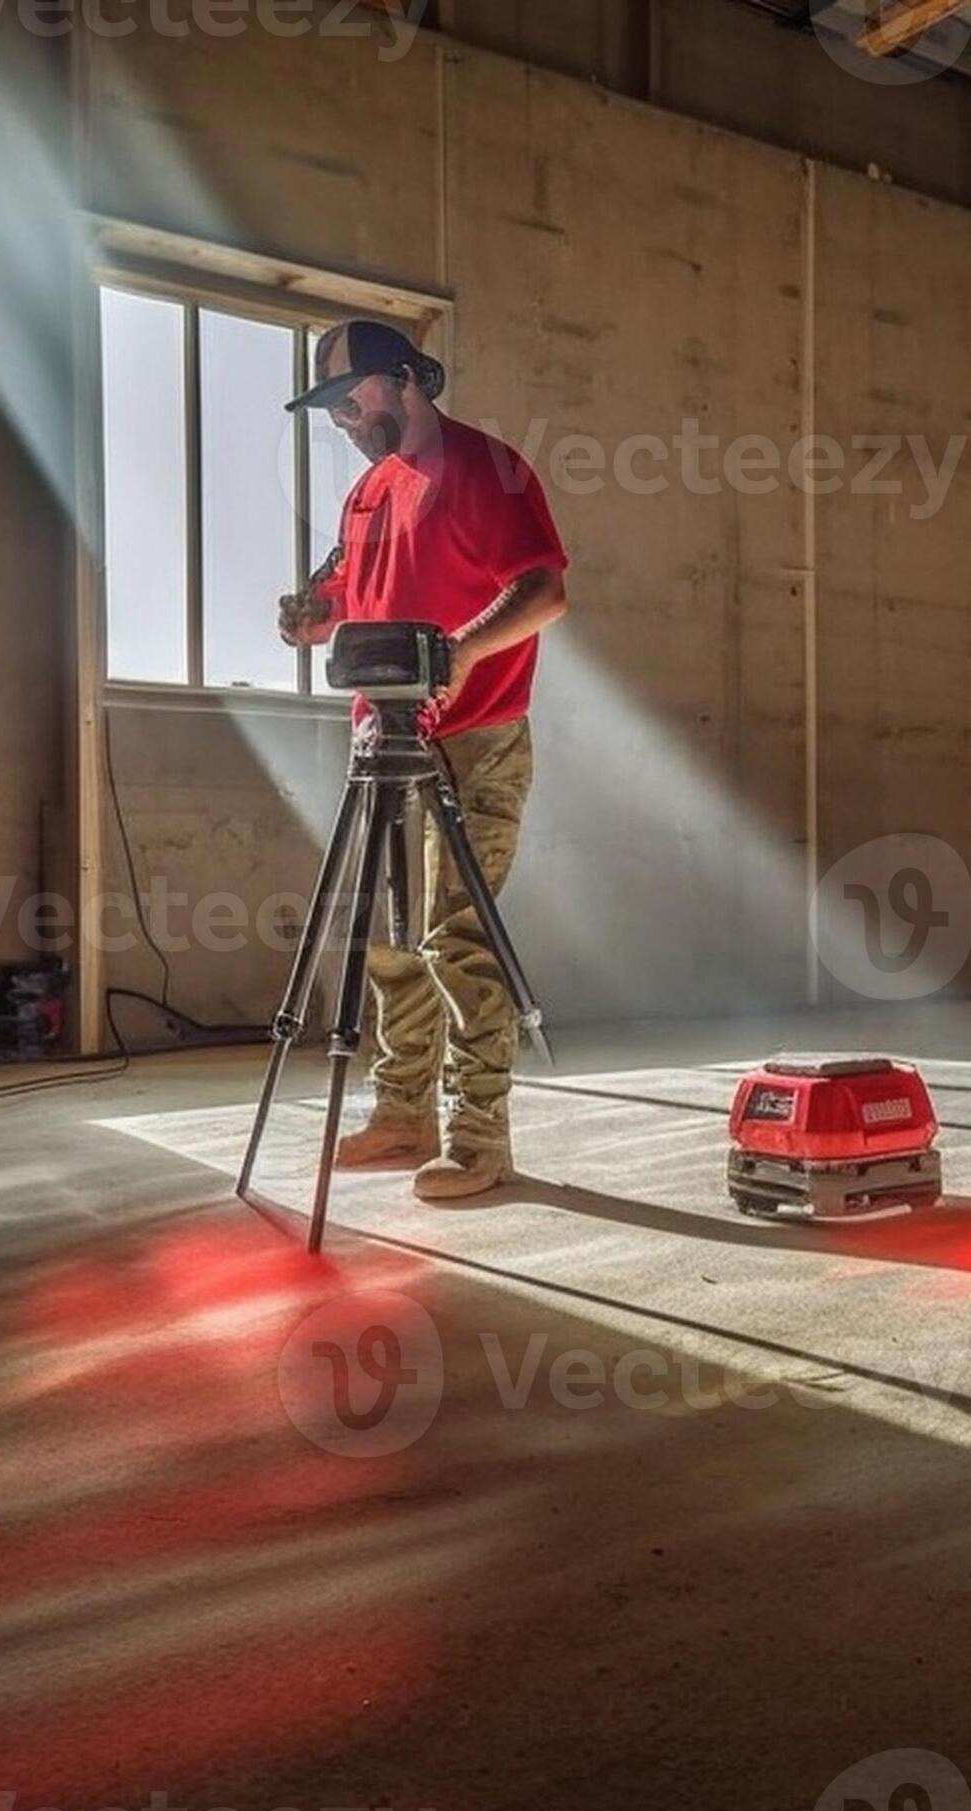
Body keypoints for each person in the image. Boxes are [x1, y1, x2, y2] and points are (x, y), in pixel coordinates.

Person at [278, 319, 570, 1200]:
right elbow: (340, 604)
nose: (335, 416)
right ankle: (400, 1113)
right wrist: (307, 617)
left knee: (456, 938)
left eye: (345, 396)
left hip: (475, 738)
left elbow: (542, 591)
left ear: (403, 378)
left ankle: (477, 1137)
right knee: (388, 942)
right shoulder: (368, 495)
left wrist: (462, 652)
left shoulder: (487, 467)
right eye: (325, 404)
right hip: (384, 738)